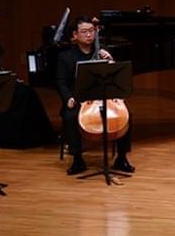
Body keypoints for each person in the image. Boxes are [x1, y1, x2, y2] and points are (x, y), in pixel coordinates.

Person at [0, 0, 54, 148]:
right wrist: (10, 79)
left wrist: (10, 77)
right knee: (25, 94)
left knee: (28, 92)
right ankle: (16, 136)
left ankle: (32, 135)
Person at [56, 15, 134, 176]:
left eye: (91, 31)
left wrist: (111, 61)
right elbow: (61, 82)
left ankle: (122, 158)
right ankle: (77, 159)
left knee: (127, 115)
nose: (89, 34)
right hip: (79, 99)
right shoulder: (66, 57)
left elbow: (116, 76)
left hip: (104, 96)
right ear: (75, 35)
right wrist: (68, 98)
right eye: (84, 31)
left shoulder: (103, 52)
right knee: (70, 117)